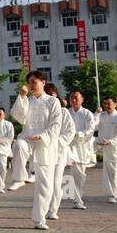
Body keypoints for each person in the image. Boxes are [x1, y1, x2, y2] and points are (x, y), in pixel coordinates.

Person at [9, 71, 61, 231]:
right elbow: (19, 117)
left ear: (43, 82)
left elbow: (56, 124)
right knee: (18, 145)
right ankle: (19, 177)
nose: (32, 85)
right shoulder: (27, 100)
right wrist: (22, 97)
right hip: (28, 139)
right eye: (29, 82)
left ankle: (39, 218)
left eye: (35, 82)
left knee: (45, 185)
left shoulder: (53, 102)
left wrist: (44, 136)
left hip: (45, 144)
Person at [44, 84, 75, 221]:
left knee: (56, 182)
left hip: (59, 152)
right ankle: (42, 209)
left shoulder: (64, 112)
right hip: (44, 151)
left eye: (53, 96)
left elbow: (70, 132)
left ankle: (53, 210)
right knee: (44, 182)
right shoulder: (41, 111)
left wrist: (55, 142)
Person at [64, 90, 98, 210]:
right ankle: (74, 199)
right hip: (68, 147)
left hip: (82, 147)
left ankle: (77, 198)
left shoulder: (87, 114)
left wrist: (78, 135)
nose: (73, 100)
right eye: (71, 97)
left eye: (76, 98)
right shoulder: (66, 113)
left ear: (82, 99)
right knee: (70, 173)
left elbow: (90, 130)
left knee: (80, 174)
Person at [96, 96, 117, 203]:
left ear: (115, 104)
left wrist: (110, 141)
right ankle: (110, 193)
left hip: (115, 149)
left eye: (109, 103)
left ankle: (113, 194)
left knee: (113, 172)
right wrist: (96, 114)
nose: (106, 106)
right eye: (105, 103)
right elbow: (94, 126)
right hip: (103, 147)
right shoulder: (102, 115)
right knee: (107, 172)